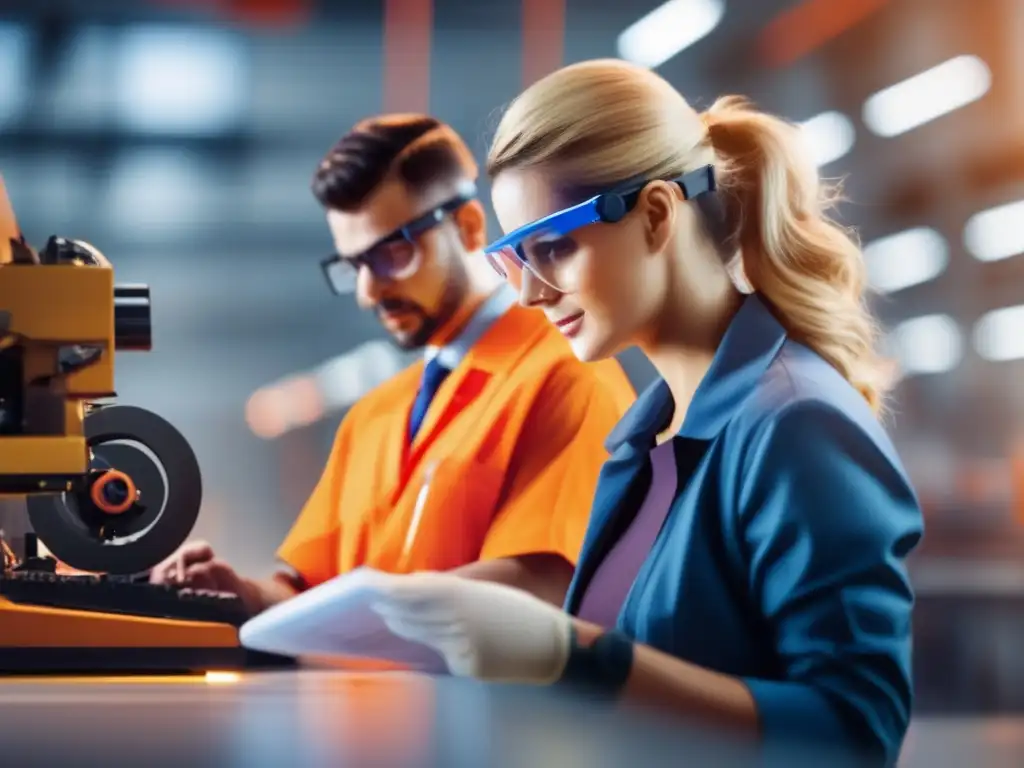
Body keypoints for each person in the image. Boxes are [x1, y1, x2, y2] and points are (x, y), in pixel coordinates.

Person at [321, 62, 924, 763]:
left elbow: (855, 734)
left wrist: (574, 655)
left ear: (659, 215)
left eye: (553, 249)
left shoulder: (794, 425)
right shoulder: (645, 442)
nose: (530, 295)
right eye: (515, 259)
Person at [150, 114, 637, 613]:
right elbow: (307, 589)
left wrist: (357, 613)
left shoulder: (566, 376)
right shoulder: (372, 417)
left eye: (392, 255)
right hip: (367, 690)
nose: (368, 292)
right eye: (355, 265)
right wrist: (244, 594)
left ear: (468, 227)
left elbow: (546, 583)